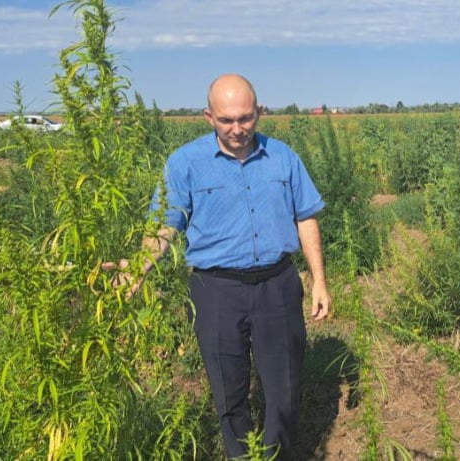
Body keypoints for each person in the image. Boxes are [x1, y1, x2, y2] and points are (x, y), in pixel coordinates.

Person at [103, 73, 331, 459]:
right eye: (227, 120)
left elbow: (306, 217)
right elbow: (166, 223)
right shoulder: (185, 163)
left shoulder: (283, 156)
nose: (238, 128)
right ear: (208, 117)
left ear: (260, 112)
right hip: (216, 291)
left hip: (278, 284)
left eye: (246, 118)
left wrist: (319, 280)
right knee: (229, 391)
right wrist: (139, 265)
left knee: (285, 391)